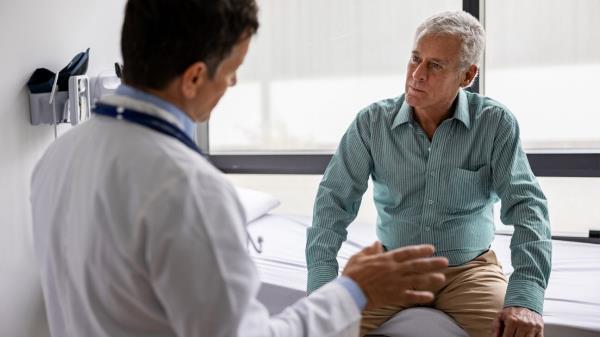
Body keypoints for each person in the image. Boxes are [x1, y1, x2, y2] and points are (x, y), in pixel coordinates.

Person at [30, 1, 450, 336]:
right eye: (231, 72)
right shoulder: (190, 189)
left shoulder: (57, 157)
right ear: (194, 77)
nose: (231, 85)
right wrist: (354, 289)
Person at [305, 10, 552, 337]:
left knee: (515, 333)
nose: (417, 74)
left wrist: (527, 297)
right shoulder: (371, 123)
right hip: (392, 270)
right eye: (415, 59)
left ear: (467, 75)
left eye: (435, 65)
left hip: (469, 272)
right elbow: (332, 203)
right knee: (321, 327)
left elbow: (528, 207)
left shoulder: (495, 124)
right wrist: (323, 284)